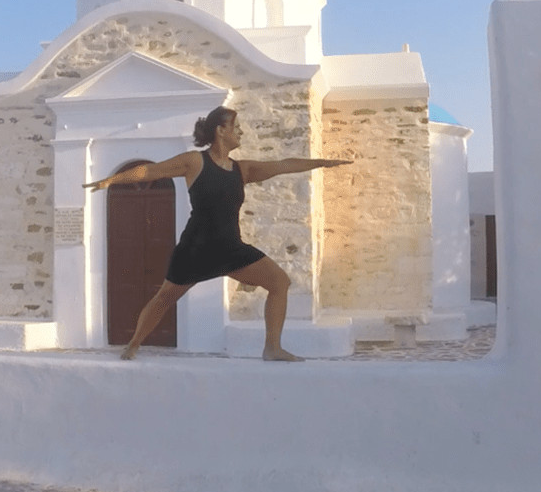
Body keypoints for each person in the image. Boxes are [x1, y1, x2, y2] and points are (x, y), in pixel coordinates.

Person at [84, 106, 351, 361]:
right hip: (195, 249)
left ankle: (273, 348)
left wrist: (322, 163)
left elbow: (283, 165)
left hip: (231, 249)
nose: (241, 132)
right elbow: (151, 170)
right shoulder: (194, 161)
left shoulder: (242, 169)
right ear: (220, 131)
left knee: (280, 283)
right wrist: (111, 180)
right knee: (165, 298)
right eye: (236, 127)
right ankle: (133, 345)